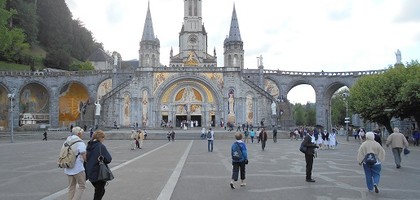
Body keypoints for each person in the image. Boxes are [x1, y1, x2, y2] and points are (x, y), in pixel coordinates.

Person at [86, 130, 112, 200]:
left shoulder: (89, 146)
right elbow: (109, 159)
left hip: (90, 172)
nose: (104, 140)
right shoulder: (101, 146)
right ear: (100, 138)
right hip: (99, 173)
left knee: (100, 191)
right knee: (99, 192)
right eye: (103, 138)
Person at [63, 126, 87, 200]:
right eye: (82, 133)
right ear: (79, 133)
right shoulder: (80, 142)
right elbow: (84, 156)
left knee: (71, 187)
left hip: (68, 167)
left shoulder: (66, 141)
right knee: (82, 186)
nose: (82, 134)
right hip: (78, 168)